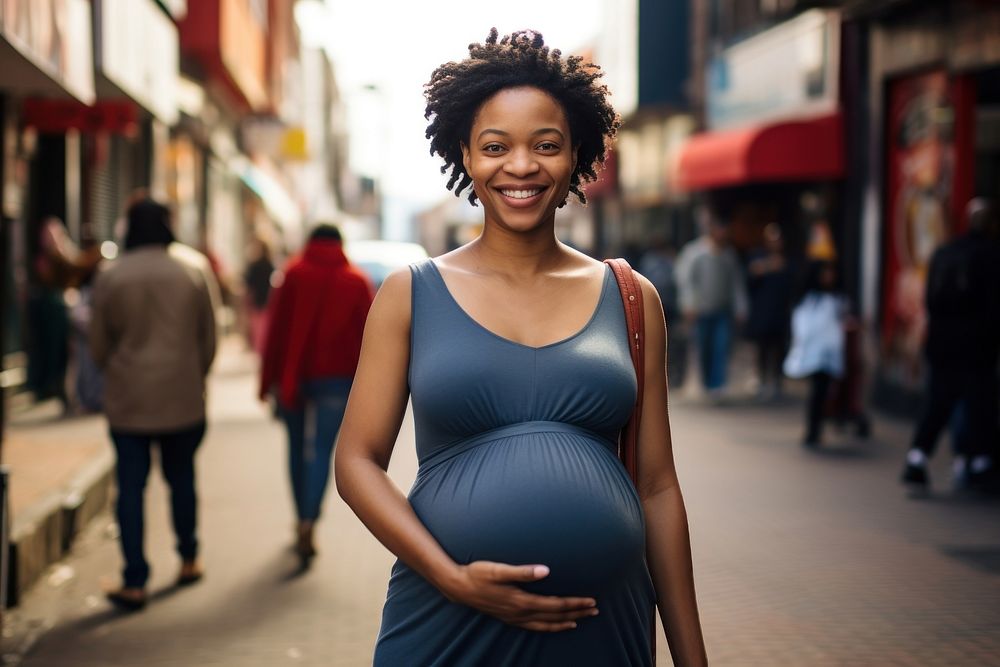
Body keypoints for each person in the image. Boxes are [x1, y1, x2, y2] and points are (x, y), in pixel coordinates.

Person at [334, 29, 707, 666]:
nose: (522, 167)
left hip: (602, 626)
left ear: (576, 156)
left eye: (547, 145)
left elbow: (657, 489)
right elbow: (356, 463)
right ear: (466, 156)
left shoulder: (630, 295)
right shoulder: (412, 293)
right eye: (495, 147)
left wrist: (692, 661)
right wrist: (449, 576)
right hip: (447, 620)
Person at [90, 198, 219, 610]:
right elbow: (209, 338)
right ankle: (188, 558)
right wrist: (193, 373)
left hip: (129, 401)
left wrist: (119, 369)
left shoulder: (111, 276)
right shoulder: (194, 268)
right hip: (182, 399)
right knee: (181, 479)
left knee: (130, 488)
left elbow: (97, 344)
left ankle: (135, 580)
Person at [259, 224, 374, 566]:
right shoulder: (356, 280)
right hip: (337, 382)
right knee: (322, 450)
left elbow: (275, 331)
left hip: (293, 378)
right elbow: (370, 338)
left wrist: (268, 382)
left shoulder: (293, 274)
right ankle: (311, 519)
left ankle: (300, 518)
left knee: (295, 447)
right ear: (340, 244)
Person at [902, 198, 1000, 491]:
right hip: (976, 347)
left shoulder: (944, 253)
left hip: (942, 344)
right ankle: (980, 463)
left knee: (937, 404)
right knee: (980, 404)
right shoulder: (992, 255)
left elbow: (930, 301)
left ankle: (916, 459)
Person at [675, 208, 747, 401]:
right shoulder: (695, 253)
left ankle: (718, 385)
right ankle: (708, 383)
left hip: (723, 310)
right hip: (701, 311)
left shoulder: (729, 256)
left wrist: (741, 308)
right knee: (705, 348)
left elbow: (736, 284)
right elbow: (686, 281)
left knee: (721, 347)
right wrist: (688, 304)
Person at [745, 223, 793, 401]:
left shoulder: (787, 260)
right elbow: (750, 279)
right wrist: (766, 267)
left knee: (779, 348)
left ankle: (777, 381)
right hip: (762, 312)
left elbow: (792, 284)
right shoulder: (758, 256)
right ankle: (762, 379)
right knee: (762, 348)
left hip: (780, 313)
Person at [243, 237, 275, 356]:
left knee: (258, 328)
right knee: (262, 329)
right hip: (265, 301)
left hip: (259, 301)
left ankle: (259, 350)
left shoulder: (255, 266)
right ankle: (261, 350)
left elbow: (248, 284)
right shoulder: (269, 265)